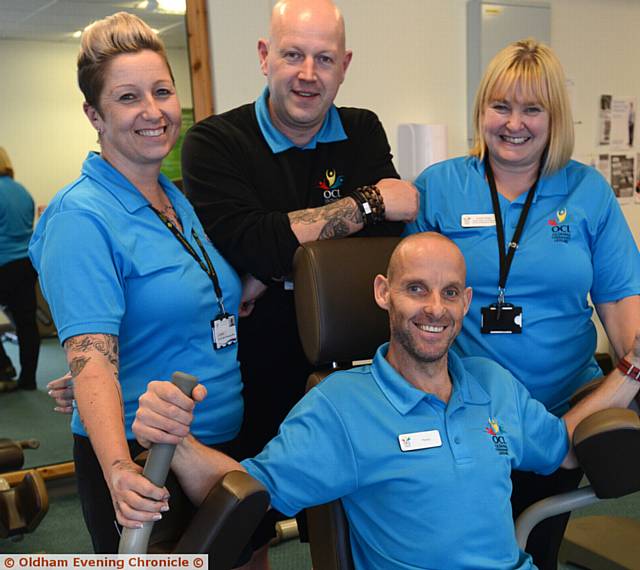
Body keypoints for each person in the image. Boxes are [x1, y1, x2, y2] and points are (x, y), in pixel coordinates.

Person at [130, 233, 640, 570]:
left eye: (449, 292)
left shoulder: (492, 382)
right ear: (383, 292)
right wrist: (178, 440)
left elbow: (564, 448)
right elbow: (244, 491)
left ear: (466, 301)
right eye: (416, 289)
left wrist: (633, 366)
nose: (434, 309)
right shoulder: (339, 407)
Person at [405, 39, 640, 568]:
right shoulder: (441, 188)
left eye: (532, 109)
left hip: (568, 403)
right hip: (464, 407)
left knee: (540, 540)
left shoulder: (587, 192)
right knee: (470, 543)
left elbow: (623, 301)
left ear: (554, 117)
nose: (515, 123)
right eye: (501, 106)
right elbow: (408, 301)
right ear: (481, 110)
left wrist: (634, 365)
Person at [28, 13, 249, 557]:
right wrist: (120, 471)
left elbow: (202, 296)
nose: (153, 112)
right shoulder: (83, 216)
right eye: (128, 98)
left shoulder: (175, 200)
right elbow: (91, 357)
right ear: (94, 115)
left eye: (162, 91)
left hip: (212, 442)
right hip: (142, 456)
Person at [181, 0, 418, 459]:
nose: (308, 74)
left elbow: (380, 249)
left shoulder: (362, 129)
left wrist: (266, 271)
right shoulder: (214, 142)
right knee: (253, 512)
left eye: (324, 58)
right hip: (248, 376)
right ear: (264, 55)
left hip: (350, 371)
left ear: (343, 66)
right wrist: (369, 202)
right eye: (293, 55)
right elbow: (251, 239)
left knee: (343, 519)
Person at [0, 146, 40, 391]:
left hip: (2, 265)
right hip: (26, 264)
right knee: (27, 324)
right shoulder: (21, 191)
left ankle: (4, 367)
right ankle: (28, 380)